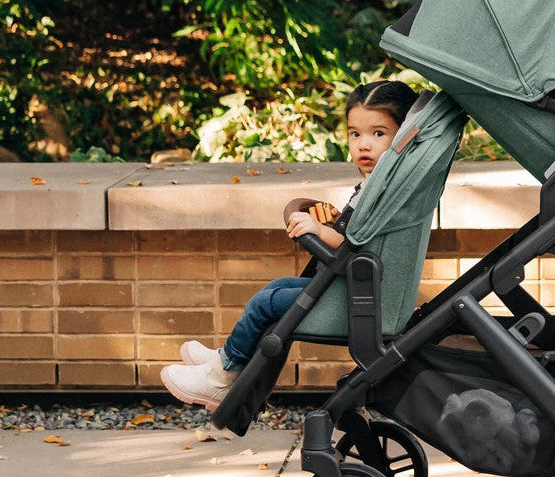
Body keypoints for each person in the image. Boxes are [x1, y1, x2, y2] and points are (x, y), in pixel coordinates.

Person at [160, 80, 420, 410]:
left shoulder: (383, 191)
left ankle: (221, 377)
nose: (363, 145)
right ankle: (228, 357)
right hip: (359, 291)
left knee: (264, 303)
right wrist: (333, 222)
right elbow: (362, 235)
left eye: (378, 133)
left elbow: (358, 247)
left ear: (403, 135)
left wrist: (320, 231)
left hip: (357, 301)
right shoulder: (385, 183)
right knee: (278, 286)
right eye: (355, 134)